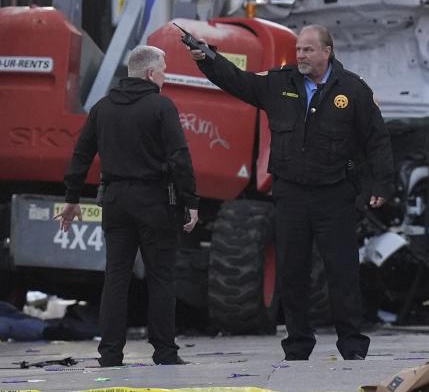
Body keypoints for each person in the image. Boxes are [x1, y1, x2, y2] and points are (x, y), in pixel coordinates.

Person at [188, 24, 393, 361]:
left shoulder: (353, 90)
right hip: (291, 195)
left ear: (327, 51)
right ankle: (298, 344)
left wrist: (382, 185)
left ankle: (352, 345)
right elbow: (239, 82)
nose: (301, 55)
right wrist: (208, 59)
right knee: (292, 272)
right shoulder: (279, 83)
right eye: (298, 50)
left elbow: (377, 140)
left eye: (308, 50)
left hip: (334, 195)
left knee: (341, 272)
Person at [55, 45, 199, 366]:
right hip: (155, 201)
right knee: (161, 277)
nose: (165, 75)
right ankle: (164, 352)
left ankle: (110, 354)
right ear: (150, 74)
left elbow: (80, 156)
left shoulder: (102, 108)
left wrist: (72, 199)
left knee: (116, 278)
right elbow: (179, 158)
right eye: (163, 69)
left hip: (116, 201)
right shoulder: (161, 107)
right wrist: (191, 201)